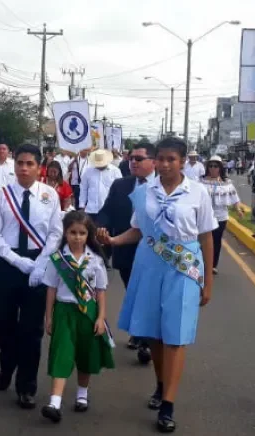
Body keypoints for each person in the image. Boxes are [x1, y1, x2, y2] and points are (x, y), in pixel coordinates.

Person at [99, 137, 217, 433]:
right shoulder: (145, 192)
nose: (165, 165)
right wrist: (113, 240)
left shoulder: (197, 192)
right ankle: (161, 383)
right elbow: (138, 230)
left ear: (182, 162)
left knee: (175, 335)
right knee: (155, 334)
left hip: (184, 267)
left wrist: (208, 281)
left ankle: (168, 404)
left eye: (171, 160)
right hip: (150, 264)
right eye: (161, 159)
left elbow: (206, 237)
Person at [0, 143, 63, 409]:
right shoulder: (1, 195)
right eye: (20, 163)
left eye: (30, 163)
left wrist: (41, 262)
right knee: (1, 318)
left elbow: (55, 232)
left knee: (31, 330)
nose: (24, 168)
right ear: (14, 165)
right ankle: (7, 364)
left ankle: (26, 386)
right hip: (8, 263)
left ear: (39, 167)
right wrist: (16, 260)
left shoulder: (50, 195)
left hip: (39, 264)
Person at [41, 211, 115, 423]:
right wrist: (49, 317)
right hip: (64, 311)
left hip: (88, 312)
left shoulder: (95, 260)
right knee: (61, 352)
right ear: (65, 233)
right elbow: (51, 290)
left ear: (88, 235)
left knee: (86, 352)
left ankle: (82, 394)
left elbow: (100, 290)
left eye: (82, 233)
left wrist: (101, 317)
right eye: (72, 232)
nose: (77, 237)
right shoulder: (58, 259)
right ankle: (54, 402)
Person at [95, 140, 156, 361]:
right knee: (134, 291)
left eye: (139, 159)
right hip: (125, 248)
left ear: (153, 161)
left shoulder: (162, 186)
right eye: (131, 158)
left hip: (155, 253)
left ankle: (147, 340)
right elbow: (106, 212)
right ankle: (139, 332)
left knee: (149, 294)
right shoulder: (121, 185)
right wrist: (100, 226)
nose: (133, 163)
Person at [200, 155, 246, 274]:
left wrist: (238, 210)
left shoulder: (227, 183)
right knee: (203, 240)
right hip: (204, 216)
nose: (213, 168)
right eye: (210, 166)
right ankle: (202, 263)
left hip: (220, 216)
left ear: (220, 168)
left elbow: (234, 198)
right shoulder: (201, 182)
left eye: (215, 166)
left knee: (216, 240)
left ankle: (213, 265)